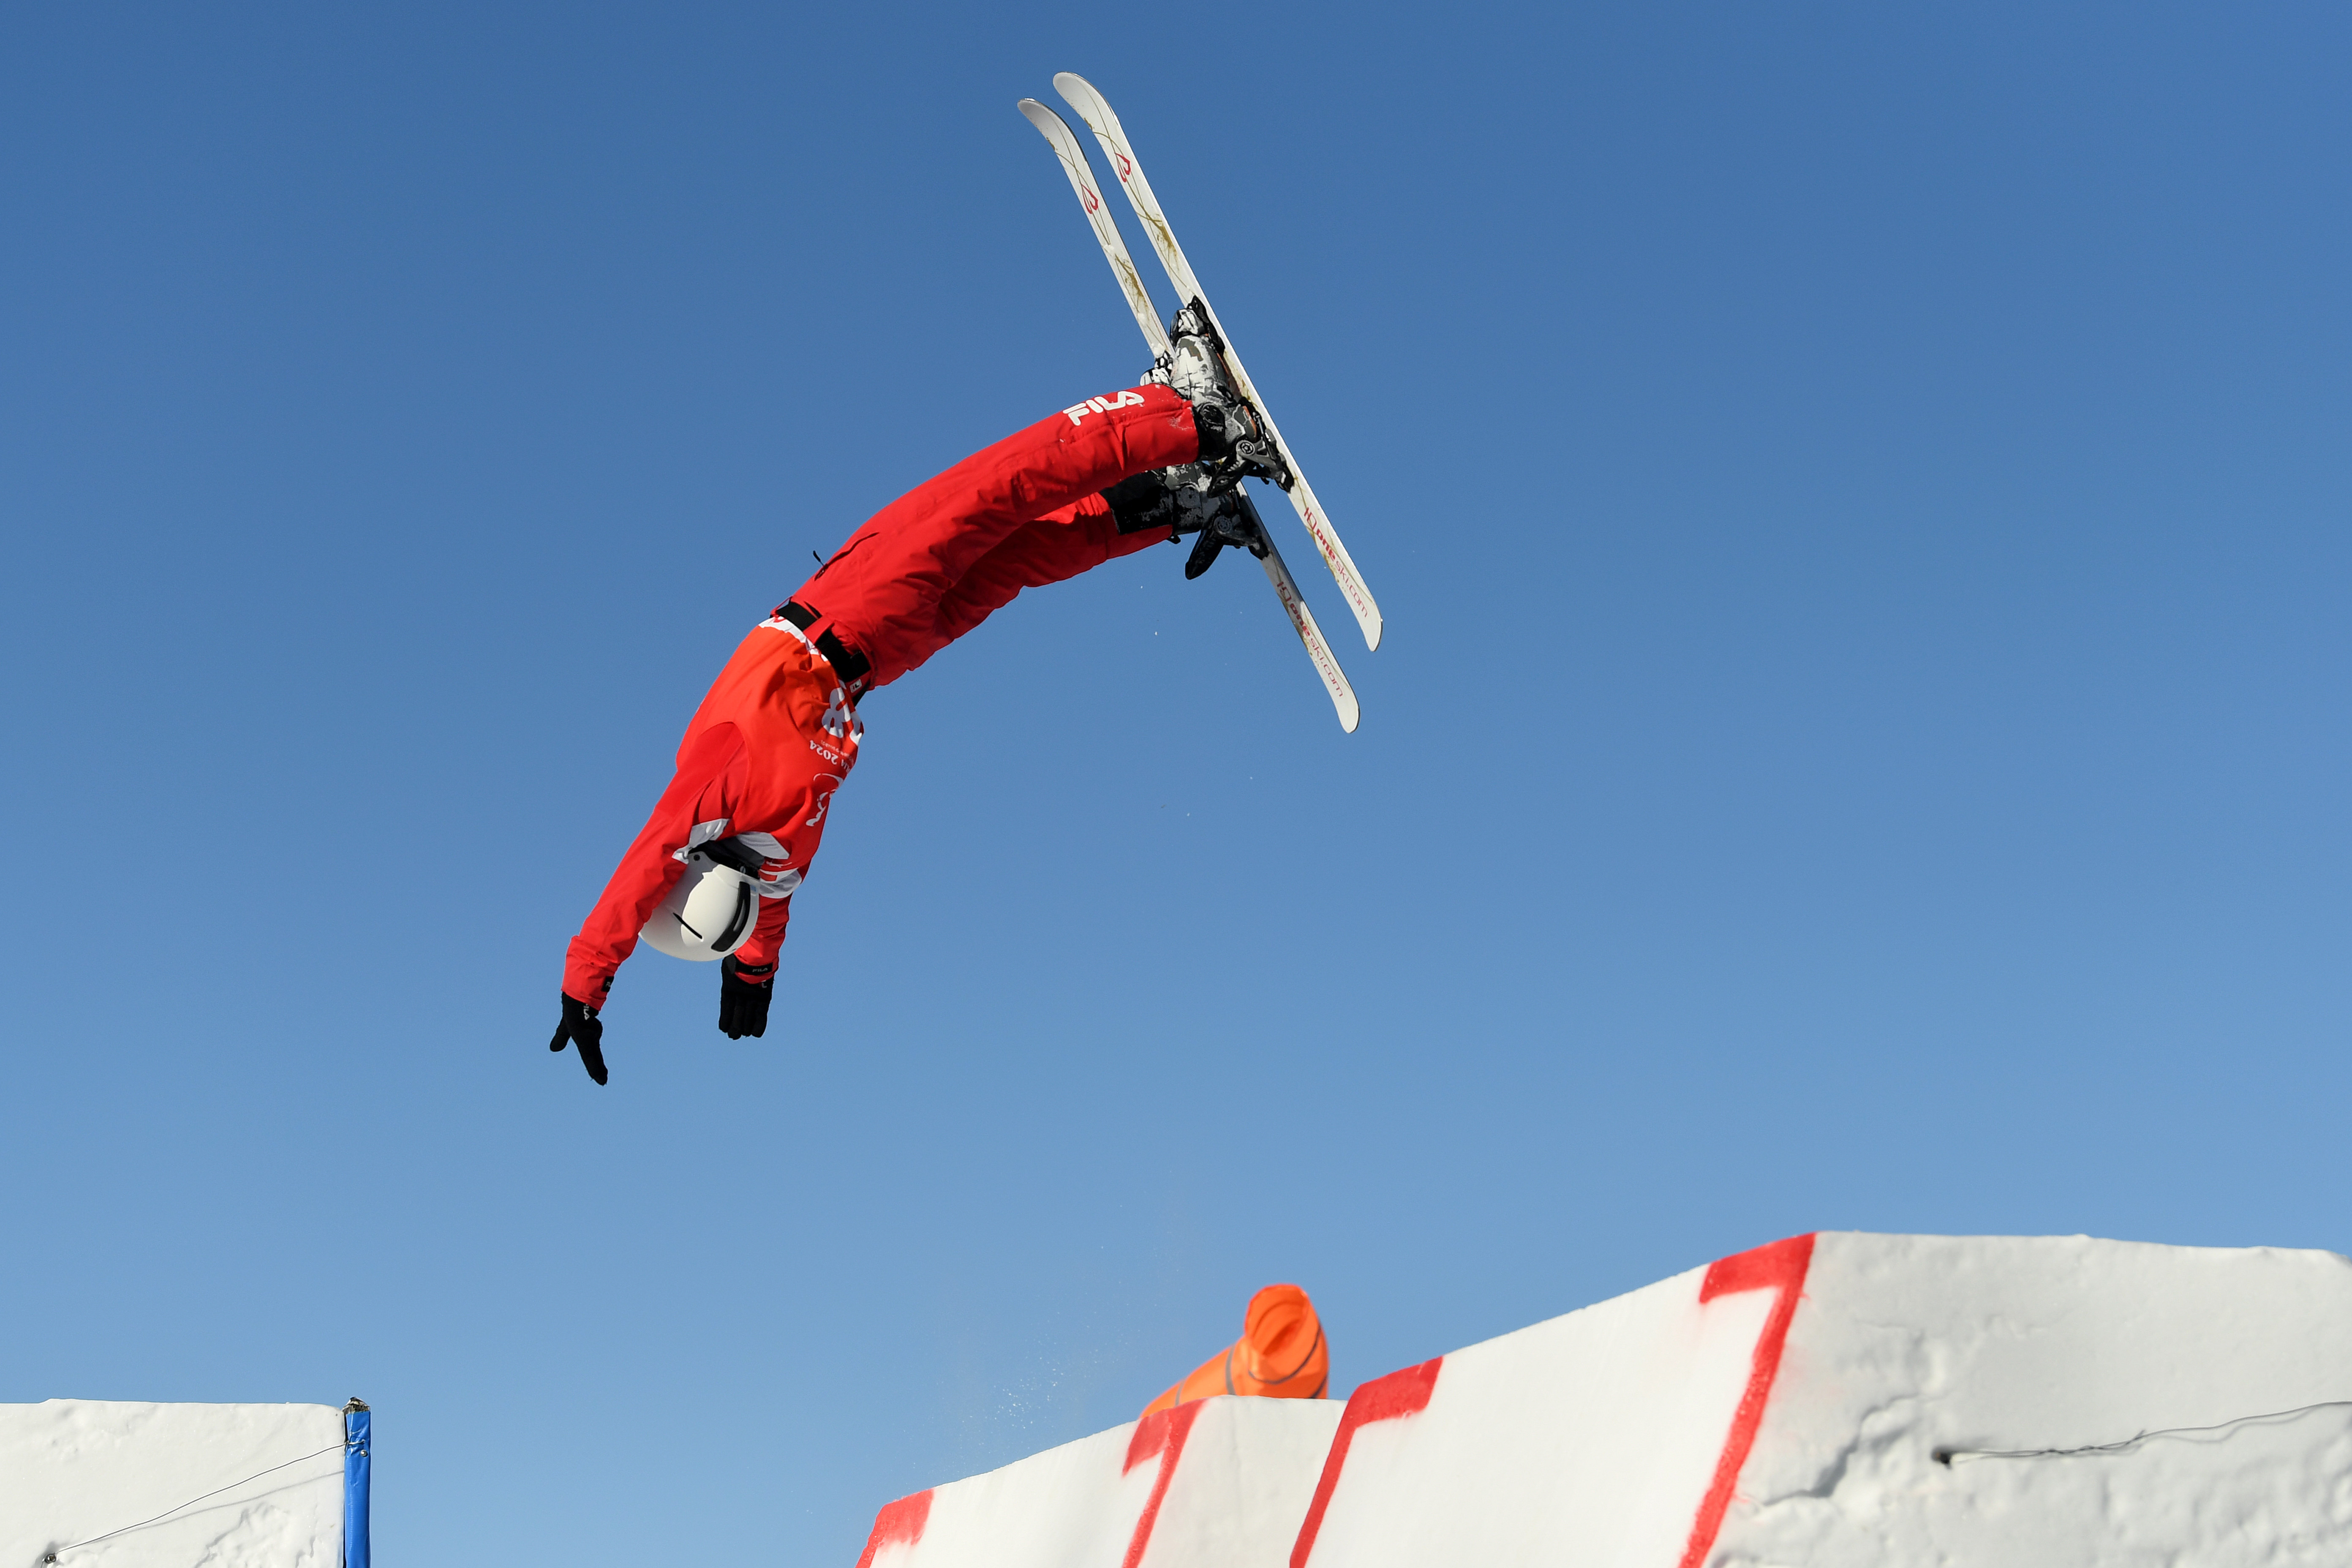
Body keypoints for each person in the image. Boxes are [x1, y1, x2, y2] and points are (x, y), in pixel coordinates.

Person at [550, 330, 1279, 1083]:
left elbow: (766, 915)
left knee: (1022, 557)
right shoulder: (718, 787)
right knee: (1004, 487)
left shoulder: (776, 853)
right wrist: (584, 979)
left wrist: (753, 977)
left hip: (884, 659)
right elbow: (646, 860)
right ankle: (1195, 416)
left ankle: (1181, 504)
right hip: (850, 614)